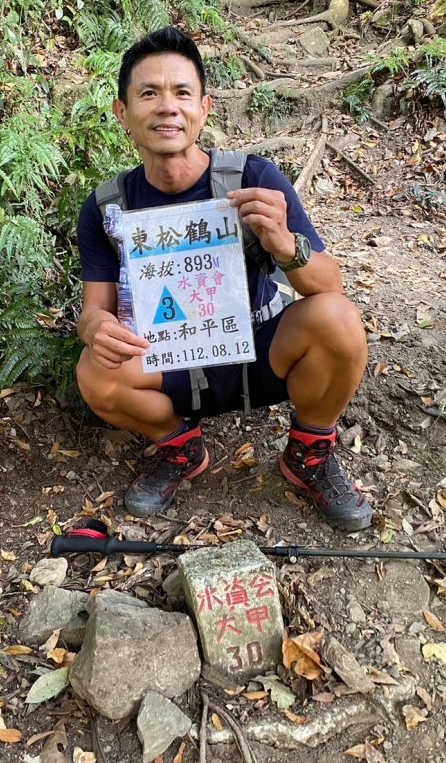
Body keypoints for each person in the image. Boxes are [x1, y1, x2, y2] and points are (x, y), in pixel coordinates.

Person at [74, 26, 372, 531]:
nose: (167, 107)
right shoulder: (108, 207)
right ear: (122, 113)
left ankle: (309, 453)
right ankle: (180, 448)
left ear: (204, 108)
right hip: (169, 358)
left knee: (338, 320)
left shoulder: (252, 180)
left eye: (182, 93)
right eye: (149, 93)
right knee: (94, 373)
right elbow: (93, 309)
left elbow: (329, 285)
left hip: (258, 350)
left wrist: (284, 244)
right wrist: (94, 330)